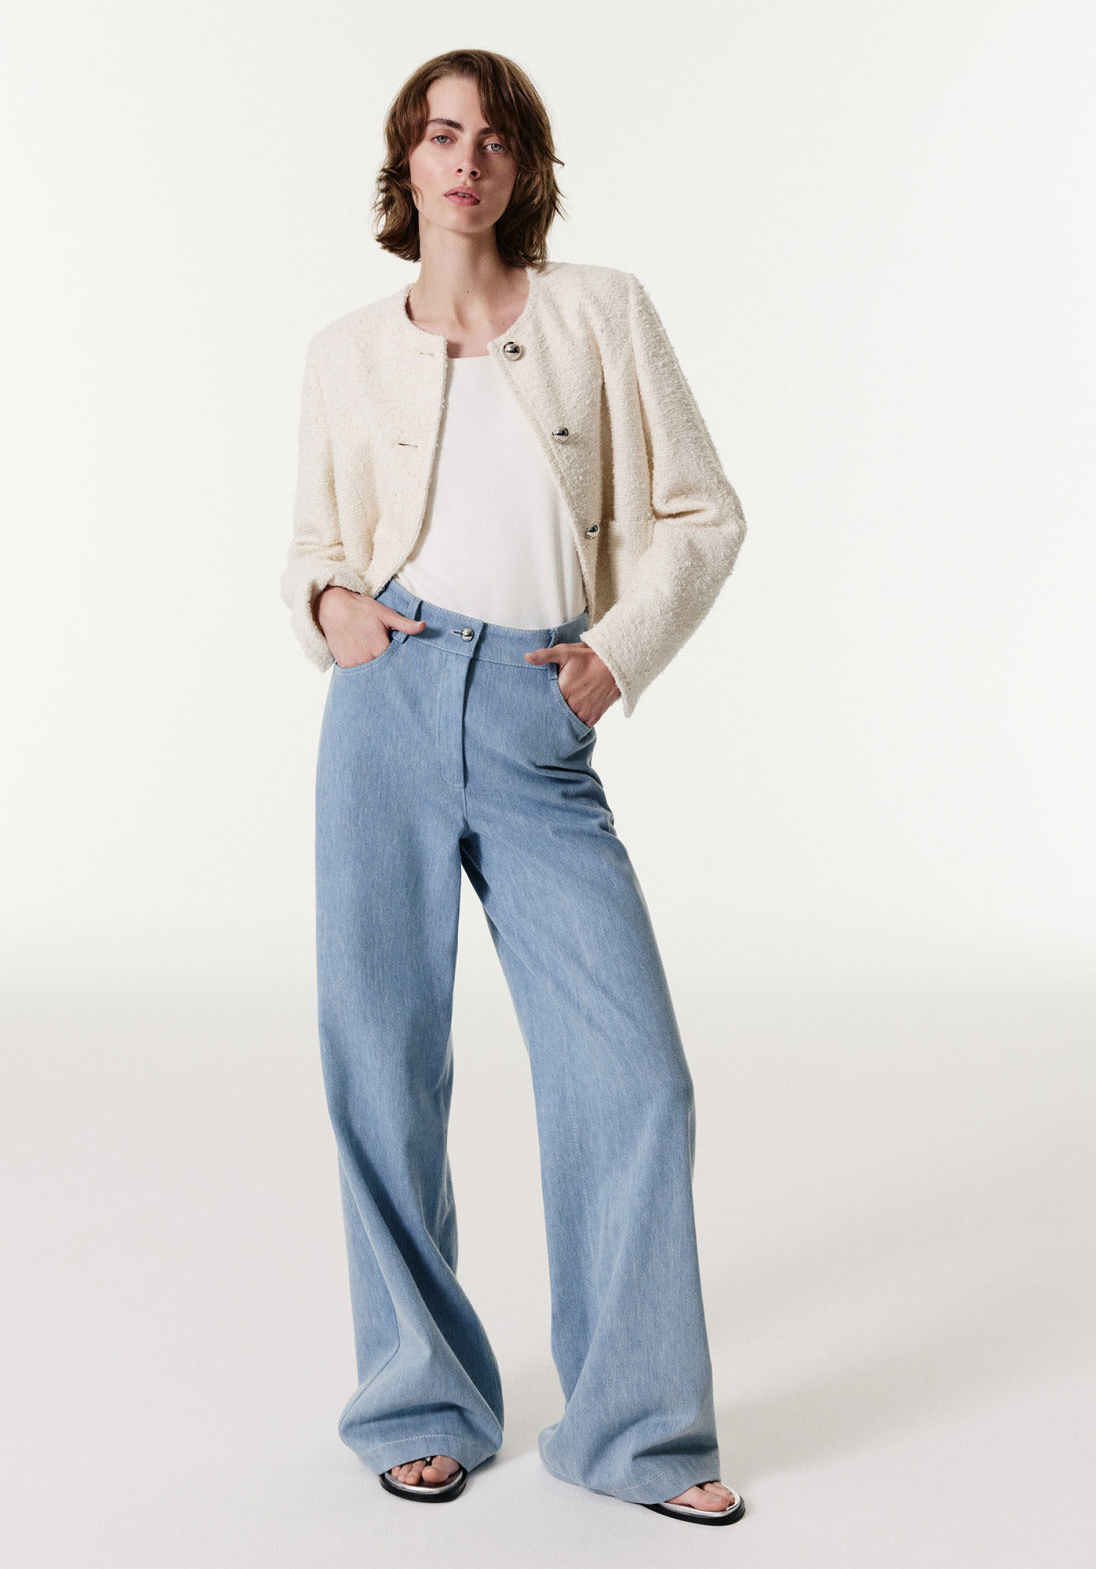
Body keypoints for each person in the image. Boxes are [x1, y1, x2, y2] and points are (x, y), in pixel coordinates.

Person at [280, 49, 749, 1525]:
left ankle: (637, 1431)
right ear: (405, 165)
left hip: (541, 712)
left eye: (490, 136)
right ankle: (416, 1400)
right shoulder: (346, 347)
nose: (463, 158)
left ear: (519, 164)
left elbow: (701, 513)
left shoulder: (599, 313)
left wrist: (612, 654)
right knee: (380, 1062)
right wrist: (331, 611)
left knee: (634, 1077)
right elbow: (311, 544)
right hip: (391, 707)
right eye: (438, 134)